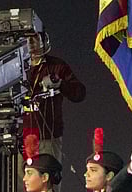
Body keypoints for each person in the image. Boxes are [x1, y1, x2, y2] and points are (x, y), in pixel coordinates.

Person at [22, 30, 86, 165]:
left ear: (44, 40)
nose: (30, 42)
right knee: (19, 183)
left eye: (34, 38)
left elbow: (79, 93)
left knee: (48, 178)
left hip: (47, 136)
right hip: (20, 137)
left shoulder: (56, 66)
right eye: (26, 38)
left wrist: (60, 84)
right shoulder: (15, 67)